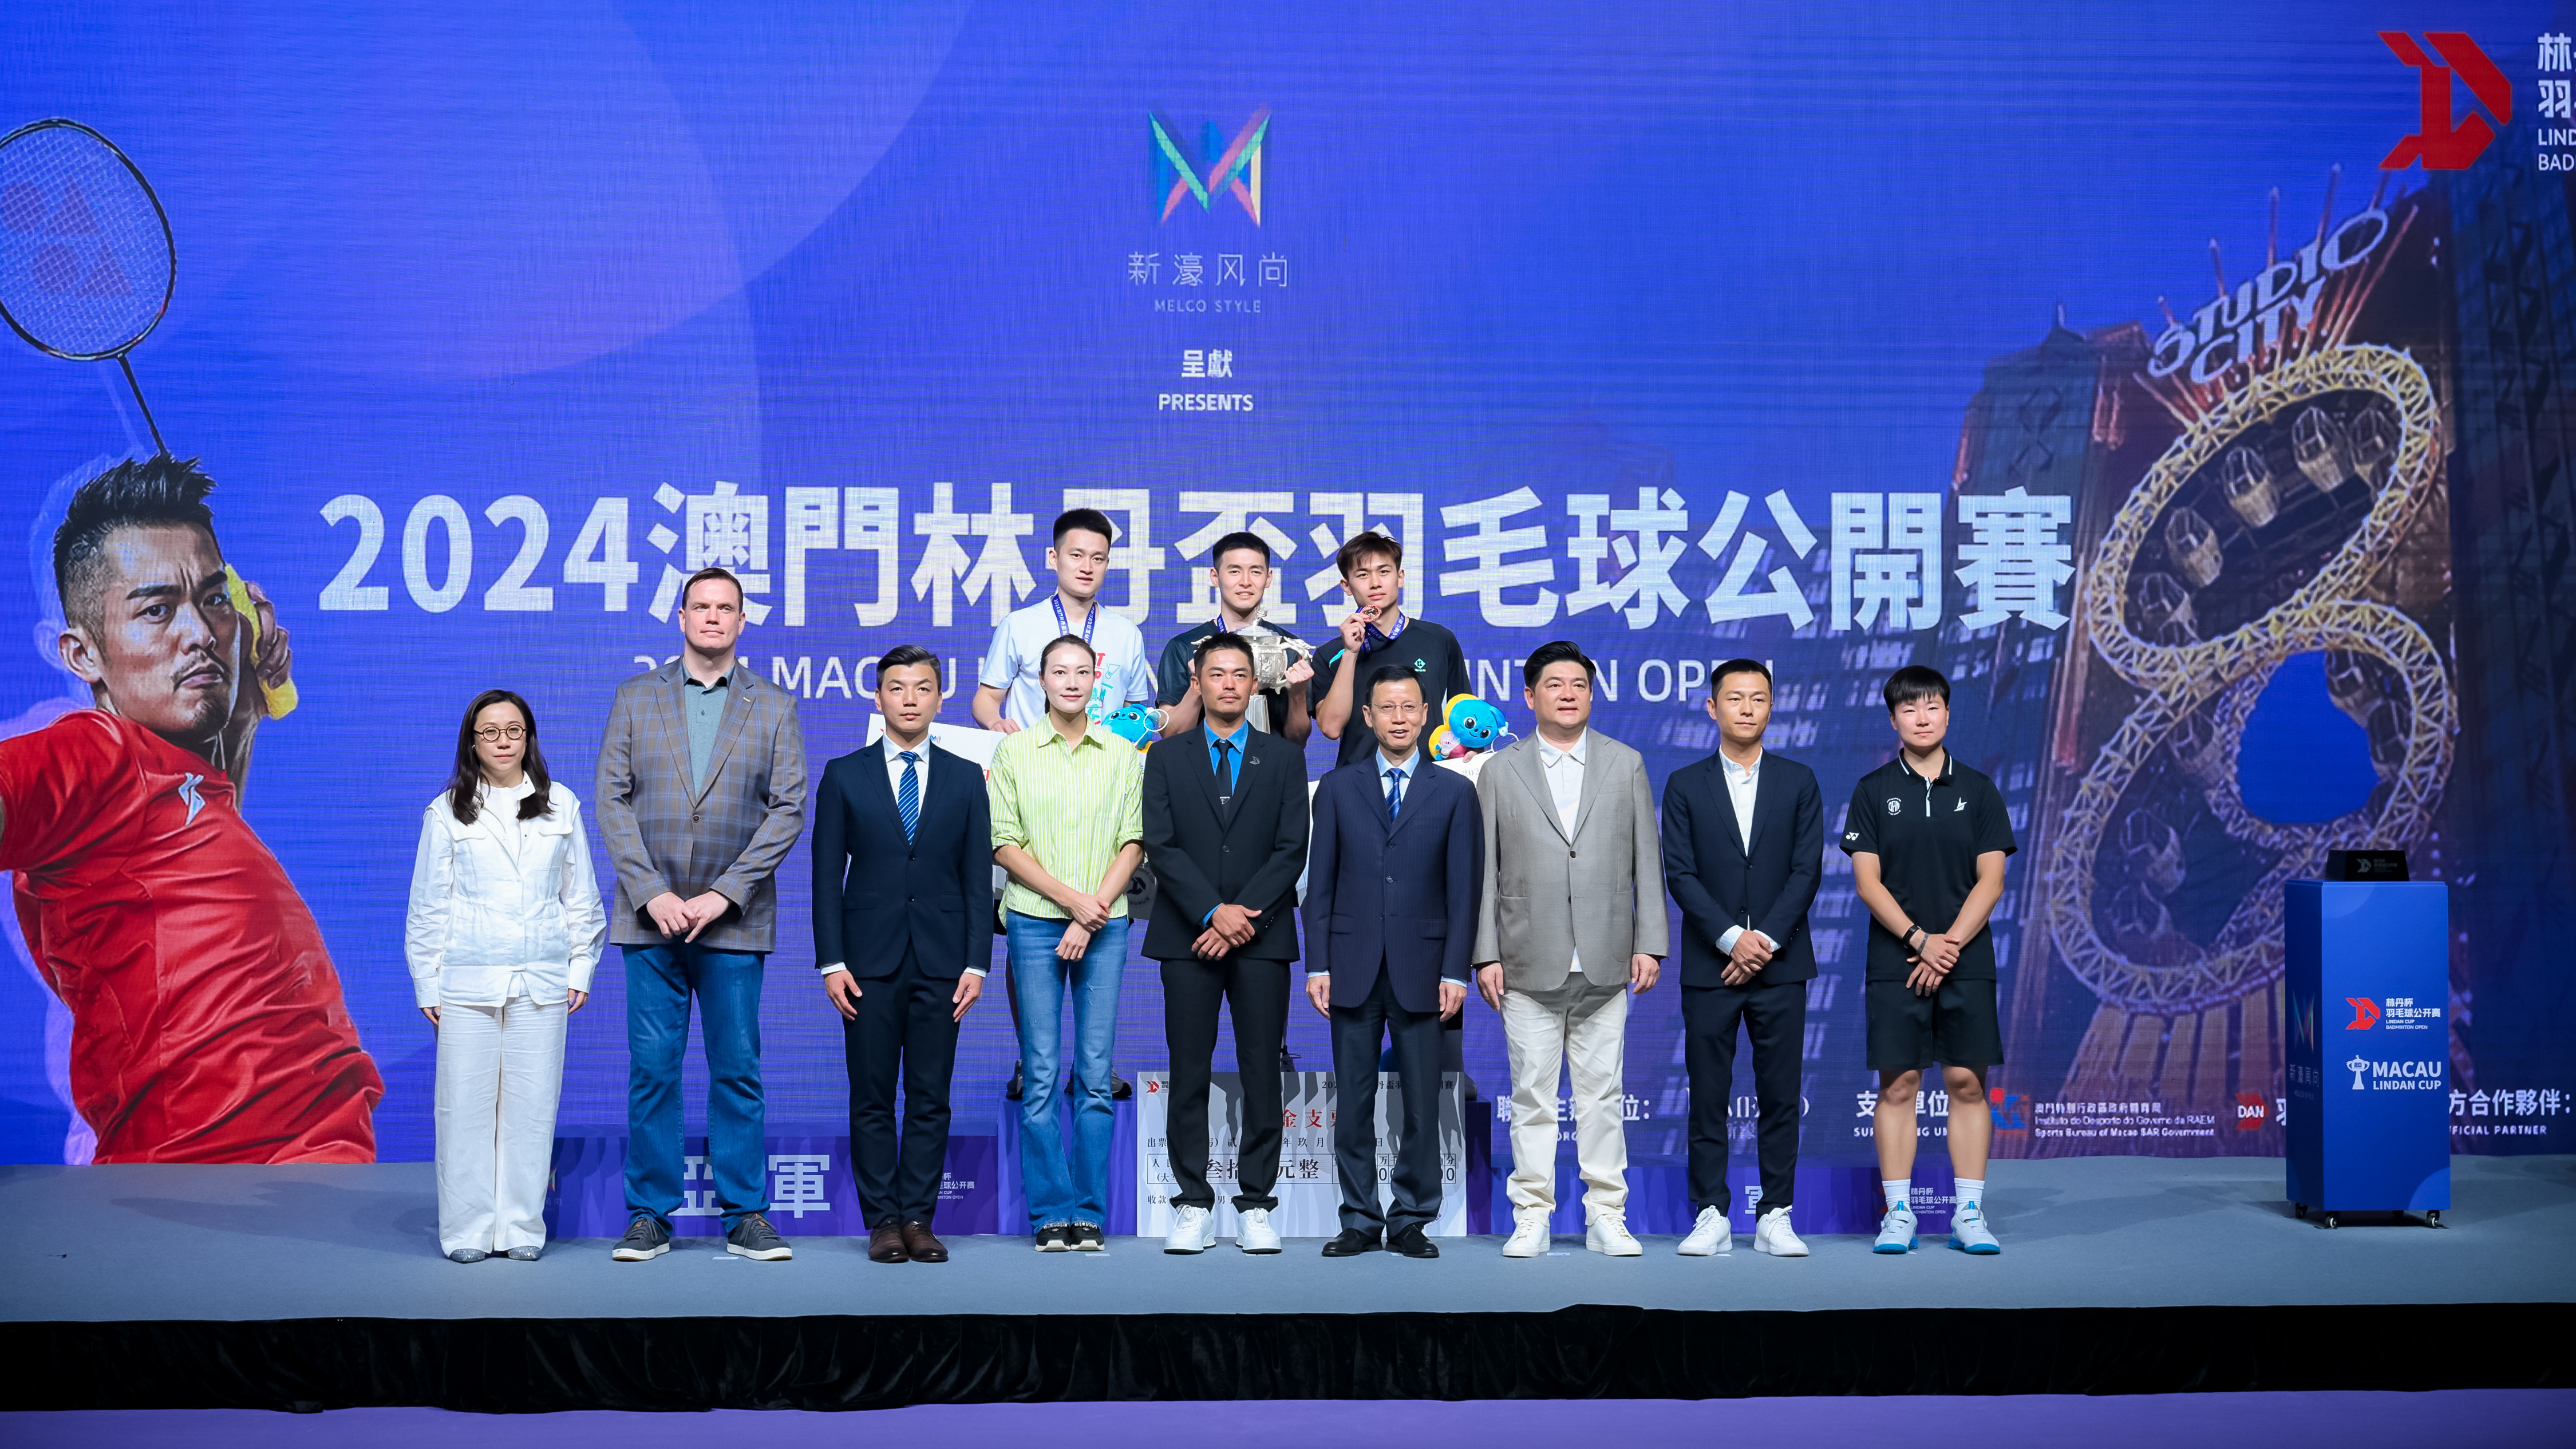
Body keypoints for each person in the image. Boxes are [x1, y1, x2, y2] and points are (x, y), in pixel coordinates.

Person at [0, 455, 381, 1163]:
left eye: (212, 599)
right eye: (157, 610)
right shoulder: (94, 753)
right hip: (210, 1193)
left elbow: (190, 843)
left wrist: (244, 714)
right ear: (83, 655)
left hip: (304, 1185)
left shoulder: (175, 784)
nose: (201, 632)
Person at [595, 566, 807, 1264]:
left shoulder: (773, 704)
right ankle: (649, 1215)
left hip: (734, 920)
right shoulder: (634, 696)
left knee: (737, 1068)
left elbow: (788, 809)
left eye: (726, 608)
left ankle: (746, 1214)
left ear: (742, 621)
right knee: (652, 1070)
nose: (713, 617)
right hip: (649, 918)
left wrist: (726, 892)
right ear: (681, 617)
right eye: (701, 606)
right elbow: (612, 799)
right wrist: (650, 890)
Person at [1472, 641, 1667, 1258]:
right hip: (1525, 958)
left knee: (1602, 1096)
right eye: (1554, 684)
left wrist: (1650, 942)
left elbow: (1646, 858)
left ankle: (1607, 1213)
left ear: (1592, 694)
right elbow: (1484, 868)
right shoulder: (1500, 769)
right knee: (1531, 1094)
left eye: (1579, 684)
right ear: (1530, 696)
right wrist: (1485, 953)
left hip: (1606, 956)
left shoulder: (1625, 762)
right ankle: (1531, 1213)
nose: (1568, 693)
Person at [405, 689, 605, 1263]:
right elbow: (428, 906)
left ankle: (520, 1226)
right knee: (464, 1109)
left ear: (528, 738)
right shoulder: (447, 810)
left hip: (542, 979)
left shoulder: (560, 804)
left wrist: (581, 966)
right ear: (472, 742)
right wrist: (427, 982)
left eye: (513, 730)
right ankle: (467, 1229)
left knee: (532, 1107)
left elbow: (581, 896)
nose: (502, 741)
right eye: (489, 731)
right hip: (467, 980)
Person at [812, 645, 991, 1265]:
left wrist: (977, 962)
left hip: (944, 961)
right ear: (878, 696)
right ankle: (883, 1222)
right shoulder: (844, 773)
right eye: (897, 687)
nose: (910, 698)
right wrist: (832, 961)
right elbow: (825, 877)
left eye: (922, 687)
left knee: (930, 1095)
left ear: (940, 698)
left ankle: (919, 1217)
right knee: (871, 1095)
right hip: (866, 962)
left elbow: (977, 877)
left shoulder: (966, 776)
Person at [974, 508, 1156, 1103]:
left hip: (1105, 790)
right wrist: (999, 726)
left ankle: (1095, 1064)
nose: (1087, 566)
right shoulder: (1020, 624)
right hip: (1037, 793)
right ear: (1053, 558)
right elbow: (986, 700)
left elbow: (1140, 713)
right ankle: (1032, 1056)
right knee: (1025, 924)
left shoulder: (1126, 633)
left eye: (1098, 557)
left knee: (1103, 929)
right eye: (1076, 554)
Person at [1303, 666, 1479, 1261]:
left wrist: (1455, 970)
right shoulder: (1337, 788)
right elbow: (1320, 885)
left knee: (1422, 1103)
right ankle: (1358, 1217)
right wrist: (1318, 964)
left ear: (1426, 714)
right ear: (1368, 716)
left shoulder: (1455, 791)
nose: (1399, 717)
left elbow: (1464, 891)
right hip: (1350, 964)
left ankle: (1411, 1218)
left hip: (1426, 970)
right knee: (1352, 1104)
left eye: (1409, 706)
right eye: (1387, 707)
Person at [1142, 633, 1310, 1255]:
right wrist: (1213, 913)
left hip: (1261, 939)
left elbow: (1292, 848)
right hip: (1188, 936)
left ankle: (1257, 1203)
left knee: (1262, 1070)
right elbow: (1161, 844)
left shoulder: (1283, 758)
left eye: (1241, 674)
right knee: (1189, 1069)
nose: (1230, 684)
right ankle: (1192, 1203)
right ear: (1198, 680)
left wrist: (1242, 917)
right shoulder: (1167, 756)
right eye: (1217, 673)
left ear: (1254, 683)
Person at [1843, 664, 2015, 1256]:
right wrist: (1921, 941)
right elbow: (1867, 882)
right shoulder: (1872, 791)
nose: (1922, 717)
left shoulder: (1979, 789)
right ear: (1893, 719)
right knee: (1899, 1084)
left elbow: (1991, 880)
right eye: (1909, 708)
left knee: (1967, 1082)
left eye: (1932, 706)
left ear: (1947, 713)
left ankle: (1969, 1212)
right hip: (1898, 959)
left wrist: (1949, 946)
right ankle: (1899, 1213)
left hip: (1967, 957)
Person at [989, 634, 1146, 1252]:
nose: (1072, 682)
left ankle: (1089, 1210)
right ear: (1042, 679)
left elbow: (1134, 840)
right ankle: (1051, 1211)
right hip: (1033, 921)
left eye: (1083, 672)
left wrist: (1091, 911)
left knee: (1096, 1074)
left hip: (1105, 925)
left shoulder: (1123, 753)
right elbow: (1004, 843)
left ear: (1096, 680)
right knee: (1041, 1072)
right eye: (1060, 672)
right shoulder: (1015, 751)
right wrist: (1070, 902)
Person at [1661, 660, 1822, 1258]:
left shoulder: (1799, 780)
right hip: (1712, 966)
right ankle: (1711, 1212)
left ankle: (1776, 1213)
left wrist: (1765, 941)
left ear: (1772, 707)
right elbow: (1681, 873)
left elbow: (1807, 870)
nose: (1747, 707)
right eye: (1735, 698)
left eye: (1758, 697)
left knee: (1781, 1095)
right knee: (1708, 1094)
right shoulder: (1685, 783)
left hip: (1782, 965)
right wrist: (1732, 938)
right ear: (1713, 707)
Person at [1309, 531, 1471, 771]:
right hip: (1357, 783)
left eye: (1384, 572)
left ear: (1400, 577)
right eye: (1362, 575)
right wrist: (1351, 653)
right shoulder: (1330, 655)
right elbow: (1331, 729)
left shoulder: (1439, 640)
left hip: (1429, 780)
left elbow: (1465, 715)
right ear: (1346, 586)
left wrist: (1470, 754)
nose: (1375, 583)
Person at [1155, 531, 1313, 744]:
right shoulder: (1184, 647)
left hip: (1272, 763)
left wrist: (1298, 695)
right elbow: (1170, 735)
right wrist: (1199, 684)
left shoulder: (1288, 648)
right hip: (1202, 763)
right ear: (1215, 577)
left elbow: (1297, 740)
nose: (1246, 582)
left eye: (1255, 572)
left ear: (1269, 578)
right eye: (1235, 571)